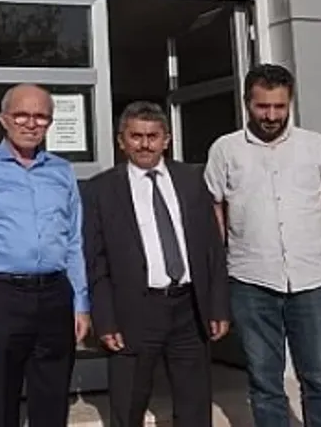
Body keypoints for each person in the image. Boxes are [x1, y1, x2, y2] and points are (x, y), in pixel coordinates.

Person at [204, 64, 321, 427]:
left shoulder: (316, 146)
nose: (271, 116)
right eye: (263, 106)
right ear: (247, 103)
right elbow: (215, 208)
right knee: (264, 380)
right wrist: (219, 270)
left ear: (290, 103)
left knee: (318, 378)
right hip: (250, 281)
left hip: (312, 280)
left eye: (279, 107)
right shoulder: (226, 149)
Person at [82, 101, 230, 427]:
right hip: (135, 310)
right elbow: (96, 261)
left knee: (194, 407)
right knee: (129, 405)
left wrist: (218, 306)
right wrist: (105, 320)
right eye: (136, 136)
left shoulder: (191, 180)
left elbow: (212, 249)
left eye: (152, 136)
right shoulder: (101, 190)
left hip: (188, 309)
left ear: (166, 140)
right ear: (121, 141)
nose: (145, 144)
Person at [0, 84, 90, 427]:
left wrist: (80, 303)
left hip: (54, 295)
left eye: (41, 117)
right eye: (21, 115)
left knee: (53, 400)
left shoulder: (62, 171)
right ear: (4, 119)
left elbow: (73, 241)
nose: (31, 124)